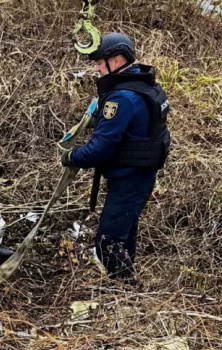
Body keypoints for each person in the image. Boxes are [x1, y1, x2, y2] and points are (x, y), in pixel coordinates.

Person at [61, 33, 171, 280]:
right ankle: (124, 284)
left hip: (130, 178)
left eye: (101, 61)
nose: (96, 67)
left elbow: (100, 147)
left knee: (107, 242)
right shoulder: (145, 84)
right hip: (139, 175)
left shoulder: (122, 97)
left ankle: (124, 292)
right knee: (124, 233)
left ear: (118, 60)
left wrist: (71, 156)